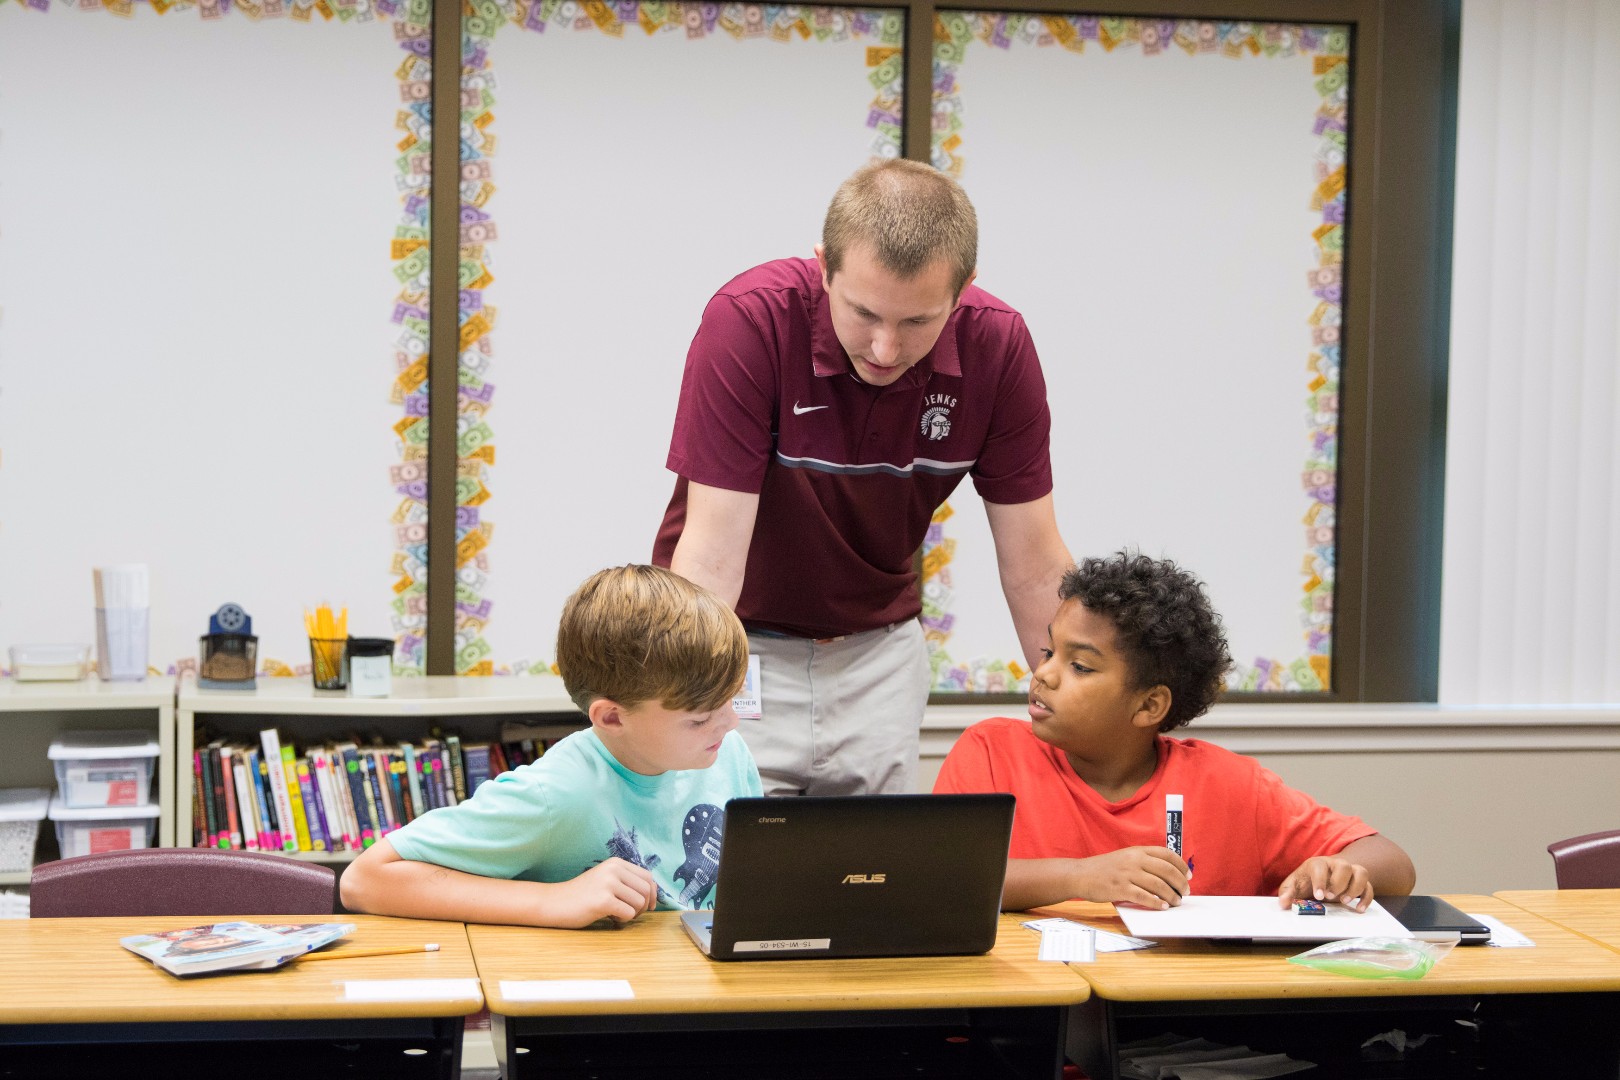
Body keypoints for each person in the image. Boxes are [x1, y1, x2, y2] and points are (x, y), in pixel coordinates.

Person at [654, 158, 1072, 797]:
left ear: (964, 289)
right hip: (739, 638)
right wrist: (686, 698)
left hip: (879, 653)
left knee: (871, 875)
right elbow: (711, 556)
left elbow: (1035, 562)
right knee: (731, 866)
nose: (884, 349)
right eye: (864, 313)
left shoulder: (1000, 346)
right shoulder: (751, 318)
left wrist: (1073, 700)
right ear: (824, 266)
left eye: (916, 322)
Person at [934, 552, 1415, 913]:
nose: (1044, 675)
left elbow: (1394, 863)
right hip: (1024, 1022)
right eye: (1048, 652)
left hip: (1178, 1026)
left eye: (1079, 665)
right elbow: (941, 879)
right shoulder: (992, 751)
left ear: (1148, 705)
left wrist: (1340, 872)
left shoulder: (1229, 785)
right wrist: (1082, 876)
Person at [340, 565, 761, 928]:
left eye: (732, 699)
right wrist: (554, 899)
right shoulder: (557, 793)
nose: (731, 722)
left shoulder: (729, 752)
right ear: (612, 718)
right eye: (700, 718)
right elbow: (365, 880)